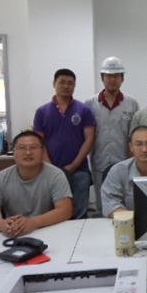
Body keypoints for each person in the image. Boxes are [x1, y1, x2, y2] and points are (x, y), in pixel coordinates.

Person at [0, 131, 73, 237]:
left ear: (43, 151)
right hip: (15, 234)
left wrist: (33, 222)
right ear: (13, 151)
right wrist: (2, 225)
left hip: (49, 230)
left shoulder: (56, 175)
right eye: (22, 148)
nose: (28, 152)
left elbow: (65, 210)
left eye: (34, 147)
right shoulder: (1, 178)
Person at [33, 68, 95, 220]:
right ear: (54, 83)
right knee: (53, 213)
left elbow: (90, 139)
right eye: (62, 82)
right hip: (50, 172)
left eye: (70, 83)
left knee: (80, 213)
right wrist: (51, 168)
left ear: (75, 86)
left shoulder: (84, 110)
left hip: (79, 171)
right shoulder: (42, 112)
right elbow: (39, 143)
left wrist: (73, 166)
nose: (66, 86)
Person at [85, 57, 139, 217]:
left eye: (116, 76)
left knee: (126, 202)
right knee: (102, 205)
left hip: (124, 162)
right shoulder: (90, 103)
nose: (112, 80)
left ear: (122, 78)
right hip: (99, 161)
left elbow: (134, 135)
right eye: (108, 76)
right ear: (102, 78)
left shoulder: (131, 103)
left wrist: (132, 161)